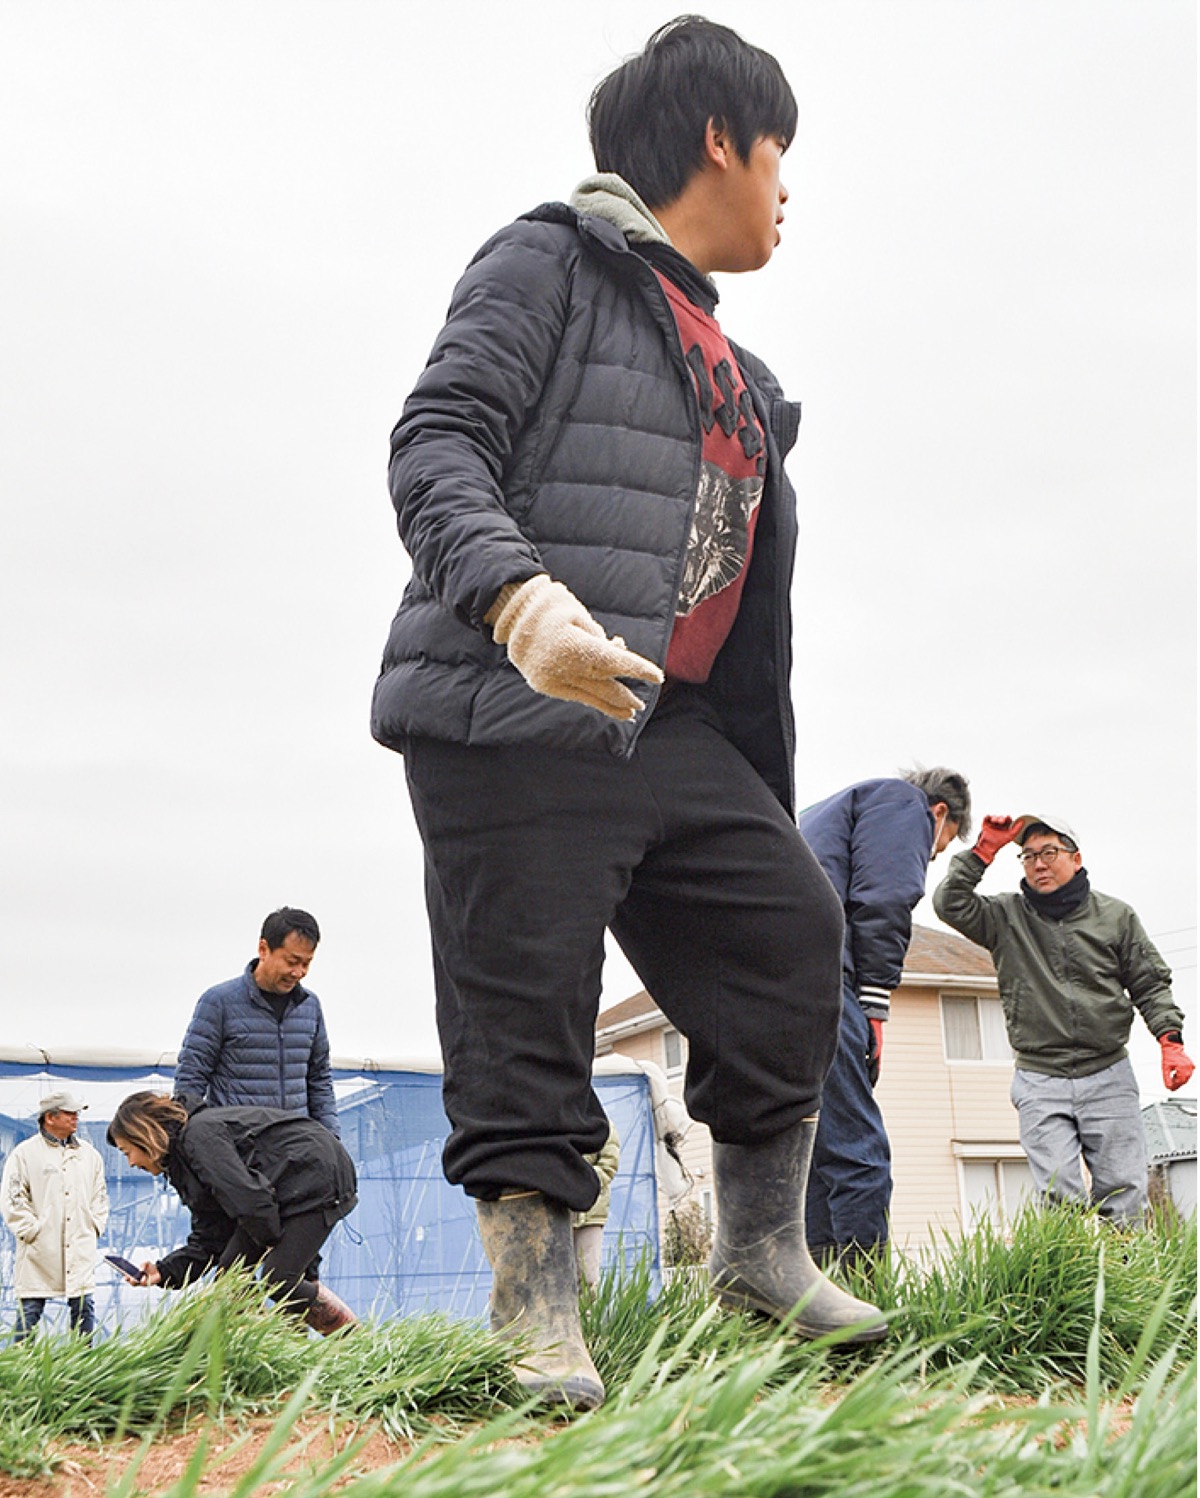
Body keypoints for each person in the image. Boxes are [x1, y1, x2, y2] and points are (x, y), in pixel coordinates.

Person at [370, 16, 885, 1410]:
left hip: (677, 729)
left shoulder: (741, 375)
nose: (788, 187)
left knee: (790, 929)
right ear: (721, 134)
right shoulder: (549, 260)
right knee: (525, 1009)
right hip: (511, 709)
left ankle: (761, 1253)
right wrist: (522, 605)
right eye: (782, 151)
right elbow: (438, 440)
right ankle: (539, 1314)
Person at [933, 814, 1194, 1220]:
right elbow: (949, 903)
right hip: (1040, 1078)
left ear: (1075, 858)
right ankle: (1070, 1280)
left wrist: (1170, 1042)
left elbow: (1150, 983)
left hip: (1108, 1073)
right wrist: (984, 851)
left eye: (1049, 852)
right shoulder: (1005, 917)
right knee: (1059, 1197)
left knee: (1123, 1195)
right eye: (1028, 855)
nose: (1038, 864)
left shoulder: (1115, 917)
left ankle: (1124, 1280)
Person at [799, 767, 972, 1265]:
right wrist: (875, 1001)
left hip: (770, 976)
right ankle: (867, 1311)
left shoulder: (823, 813)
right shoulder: (903, 803)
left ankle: (815, 1306)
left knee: (813, 1153)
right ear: (940, 813)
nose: (930, 855)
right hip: (821, 973)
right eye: (938, 848)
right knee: (859, 1154)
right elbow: (886, 895)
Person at [106, 1091, 358, 1333]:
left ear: (144, 1137)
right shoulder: (182, 1162)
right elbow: (212, 1234)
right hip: (275, 1194)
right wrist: (165, 1271)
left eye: (127, 1152)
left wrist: (271, 1243)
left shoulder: (199, 1138)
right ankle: (266, 1355)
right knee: (229, 1281)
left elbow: (250, 1200)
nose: (131, 1163)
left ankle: (360, 1348)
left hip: (314, 1175)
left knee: (279, 1278)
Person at [175, 908, 339, 1136]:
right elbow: (191, 1079)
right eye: (292, 961)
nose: (298, 972)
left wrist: (331, 1140)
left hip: (297, 1150)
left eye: (307, 963)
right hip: (236, 1148)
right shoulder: (218, 1002)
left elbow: (319, 1079)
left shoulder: (310, 1006)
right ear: (263, 949)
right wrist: (189, 1142)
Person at [1, 1090, 109, 1342]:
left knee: (84, 1308)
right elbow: (12, 1197)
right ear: (50, 1117)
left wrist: (94, 1226)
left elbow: (100, 1196)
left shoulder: (90, 1155)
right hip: (40, 1247)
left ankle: (84, 1367)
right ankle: (20, 1367)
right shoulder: (24, 1154)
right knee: (30, 1310)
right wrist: (31, 1230)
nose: (76, 1118)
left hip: (80, 1244)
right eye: (70, 1113)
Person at [572, 1121, 620, 1290]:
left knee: (588, 1276)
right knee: (557, 1275)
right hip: (558, 1212)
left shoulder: (603, 1124)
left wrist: (581, 1182)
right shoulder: (556, 1118)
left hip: (591, 1214)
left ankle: (587, 1315)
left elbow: (609, 1166)